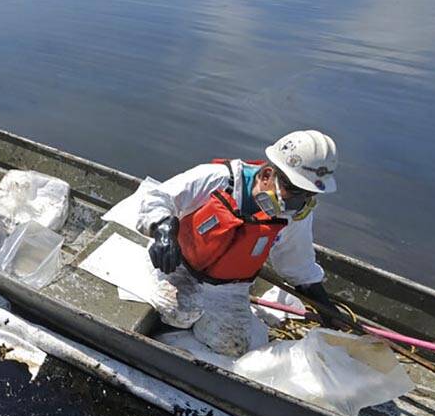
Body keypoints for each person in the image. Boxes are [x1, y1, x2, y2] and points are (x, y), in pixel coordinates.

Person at [137, 130, 342, 356]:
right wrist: (162, 229)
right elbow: (157, 197)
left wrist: (328, 310)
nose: (298, 202)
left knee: (235, 346)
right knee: (176, 312)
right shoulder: (218, 179)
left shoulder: (293, 215)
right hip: (178, 268)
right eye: (293, 190)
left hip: (227, 288)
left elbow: (298, 266)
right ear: (267, 175)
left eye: (307, 195)